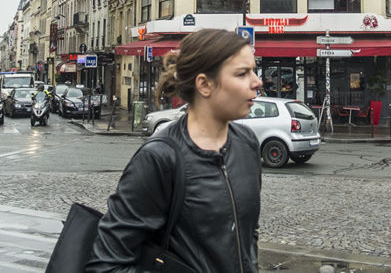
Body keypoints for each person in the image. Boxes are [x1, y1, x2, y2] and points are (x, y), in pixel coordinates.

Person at [88, 29, 262, 272]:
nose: (257, 81)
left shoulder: (247, 144)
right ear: (204, 84)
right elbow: (107, 265)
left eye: (254, 70)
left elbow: (247, 236)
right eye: (242, 73)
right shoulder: (159, 158)